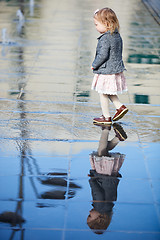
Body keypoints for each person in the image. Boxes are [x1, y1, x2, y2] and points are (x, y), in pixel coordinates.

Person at [87, 123, 127, 233]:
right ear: (99, 219)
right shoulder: (99, 206)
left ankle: (117, 138)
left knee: (104, 151)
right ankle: (105, 129)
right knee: (101, 151)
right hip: (103, 176)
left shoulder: (108, 206)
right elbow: (97, 192)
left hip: (110, 177)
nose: (89, 212)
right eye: (90, 216)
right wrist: (92, 180)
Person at [91, 8, 128, 125]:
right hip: (115, 68)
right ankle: (120, 107)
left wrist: (94, 65)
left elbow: (103, 55)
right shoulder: (117, 35)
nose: (96, 27)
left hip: (106, 70)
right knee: (108, 91)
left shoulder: (106, 38)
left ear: (106, 24)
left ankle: (106, 117)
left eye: (97, 24)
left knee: (102, 92)